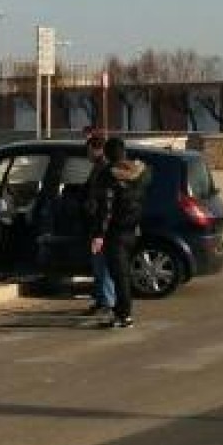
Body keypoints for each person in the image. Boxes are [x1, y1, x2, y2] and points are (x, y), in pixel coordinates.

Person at [89, 137, 149, 328]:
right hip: (132, 230)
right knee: (123, 274)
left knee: (119, 275)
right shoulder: (138, 173)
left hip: (115, 232)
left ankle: (123, 315)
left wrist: (99, 234)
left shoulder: (109, 175)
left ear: (107, 153)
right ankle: (122, 314)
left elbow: (106, 207)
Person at [81, 134, 116, 317]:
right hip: (97, 223)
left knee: (103, 265)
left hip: (102, 226)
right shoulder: (98, 168)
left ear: (97, 149)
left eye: (88, 150)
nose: (86, 154)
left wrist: (100, 232)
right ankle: (101, 299)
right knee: (98, 265)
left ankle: (108, 302)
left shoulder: (104, 169)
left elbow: (104, 203)